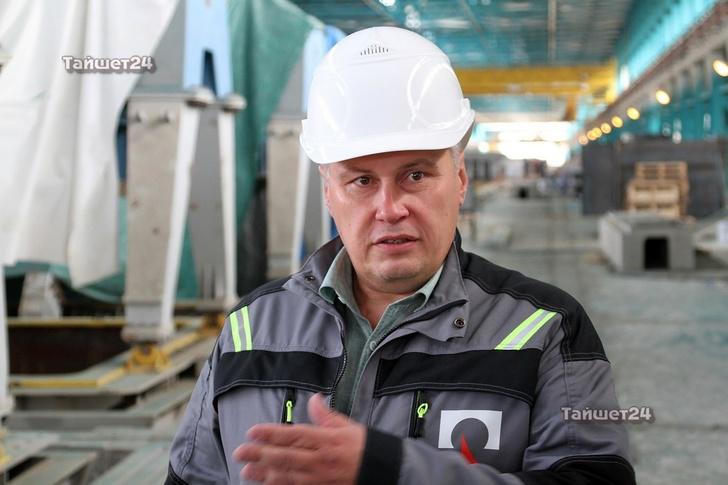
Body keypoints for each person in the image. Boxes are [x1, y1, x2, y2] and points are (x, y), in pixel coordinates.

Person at [166, 26, 635, 485]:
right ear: (329, 193)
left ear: (460, 180)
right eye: (361, 181)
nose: (389, 209)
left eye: (415, 176)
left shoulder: (545, 330)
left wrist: (390, 469)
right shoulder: (249, 330)